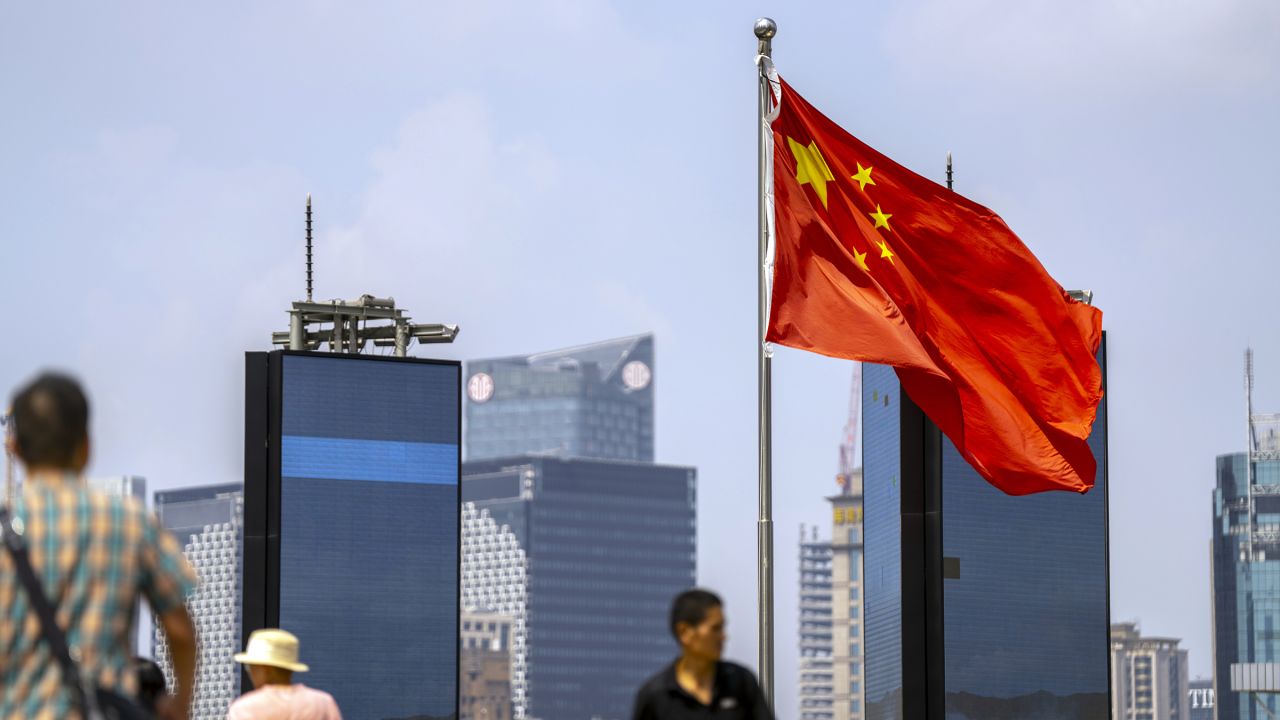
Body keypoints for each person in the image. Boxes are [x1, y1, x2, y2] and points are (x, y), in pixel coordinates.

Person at [0, 372, 198, 719]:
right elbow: (180, 630)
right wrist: (179, 703)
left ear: (14, 448)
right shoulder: (130, 521)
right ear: (86, 445)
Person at [632, 589, 774, 720]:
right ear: (685, 632)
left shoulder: (742, 682)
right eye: (715, 629)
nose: (723, 637)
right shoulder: (656, 696)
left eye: (723, 627)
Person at [228, 628, 342, 720]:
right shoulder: (323, 704)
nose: (250, 672)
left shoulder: (245, 708)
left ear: (266, 669)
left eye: (251, 667)